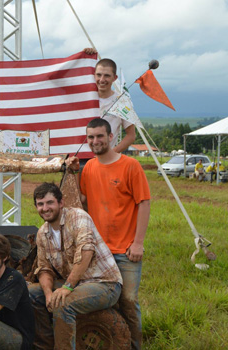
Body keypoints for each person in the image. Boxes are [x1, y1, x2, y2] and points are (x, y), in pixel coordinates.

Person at [67, 118, 151, 350]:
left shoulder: (130, 166)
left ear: (111, 136)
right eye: (91, 137)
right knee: (102, 301)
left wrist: (138, 243)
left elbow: (144, 203)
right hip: (98, 251)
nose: (95, 141)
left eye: (100, 136)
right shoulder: (89, 168)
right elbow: (82, 202)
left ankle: (134, 345)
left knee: (128, 300)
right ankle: (112, 340)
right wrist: (74, 172)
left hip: (125, 250)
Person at [28, 182, 122, 350]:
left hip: (104, 284)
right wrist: (48, 294)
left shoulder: (78, 217)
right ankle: (44, 346)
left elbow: (86, 253)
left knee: (63, 304)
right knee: (30, 294)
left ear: (61, 203)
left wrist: (67, 287)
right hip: (77, 284)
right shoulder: (43, 233)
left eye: (50, 202)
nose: (45, 208)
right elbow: (44, 268)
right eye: (40, 204)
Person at [84, 48, 136, 153]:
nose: (102, 80)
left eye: (107, 75)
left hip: (106, 162)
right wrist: (84, 57)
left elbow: (131, 135)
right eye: (98, 75)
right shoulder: (83, 97)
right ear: (94, 75)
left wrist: (112, 153)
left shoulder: (122, 101)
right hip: (81, 160)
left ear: (115, 78)